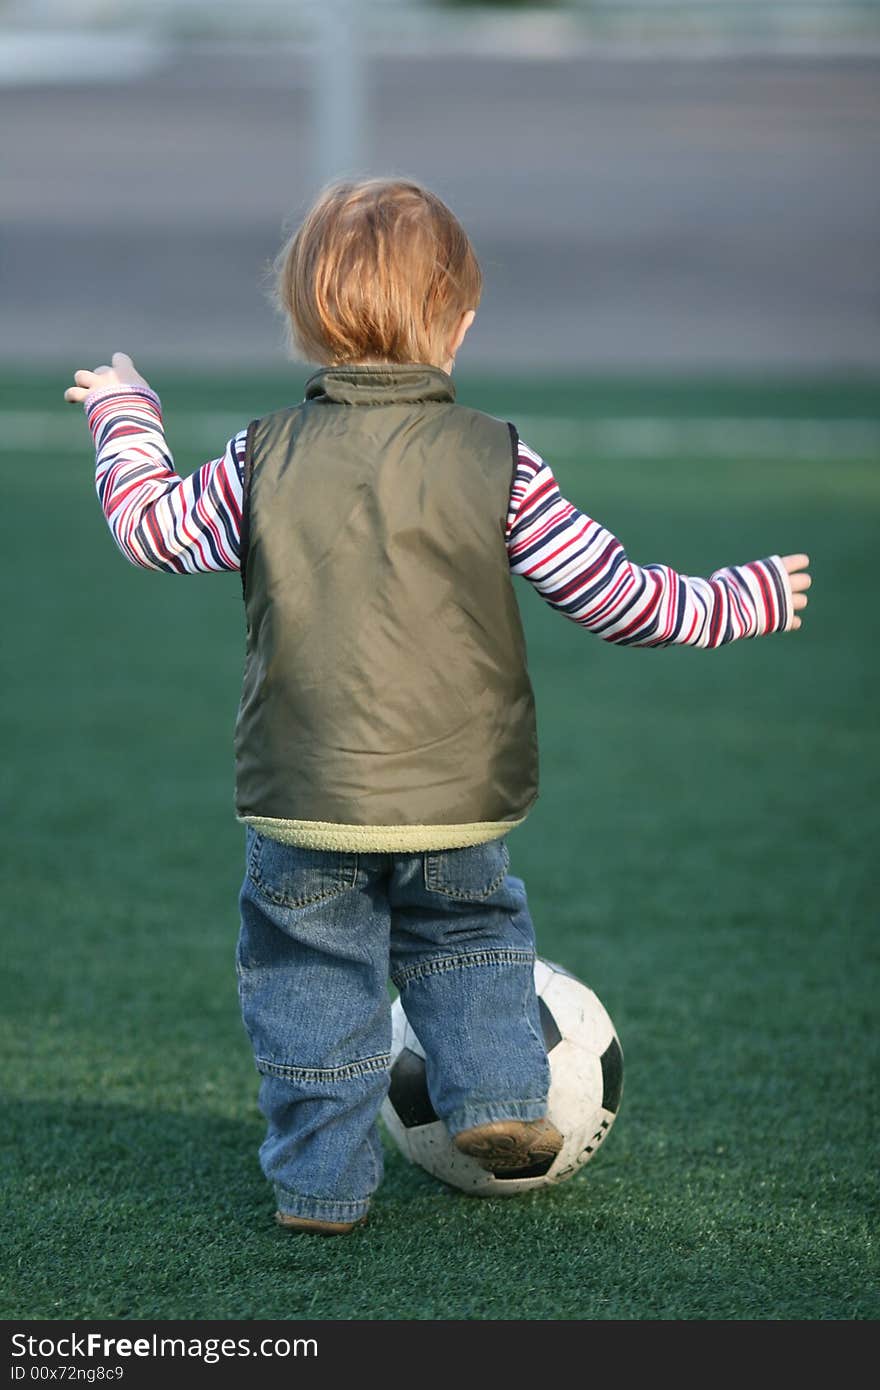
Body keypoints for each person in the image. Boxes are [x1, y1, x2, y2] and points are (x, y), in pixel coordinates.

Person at [64, 177, 811, 1237]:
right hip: (458, 789)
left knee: (309, 974)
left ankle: (320, 1188)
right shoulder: (501, 460)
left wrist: (124, 412)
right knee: (468, 932)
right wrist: (741, 598)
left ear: (303, 321)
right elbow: (622, 598)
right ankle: (500, 1101)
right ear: (459, 322)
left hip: (304, 791)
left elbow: (148, 529)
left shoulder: (258, 455)